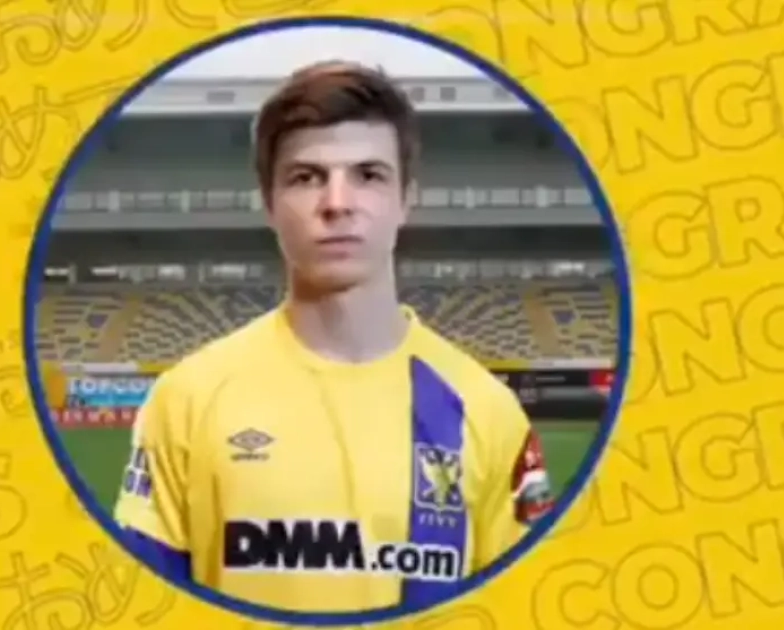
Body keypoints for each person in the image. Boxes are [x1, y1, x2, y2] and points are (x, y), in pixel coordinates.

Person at [113, 59, 554, 614]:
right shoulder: (186, 399)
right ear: (268, 203)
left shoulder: (487, 410)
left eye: (369, 175)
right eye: (306, 177)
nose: (337, 202)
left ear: (405, 200)